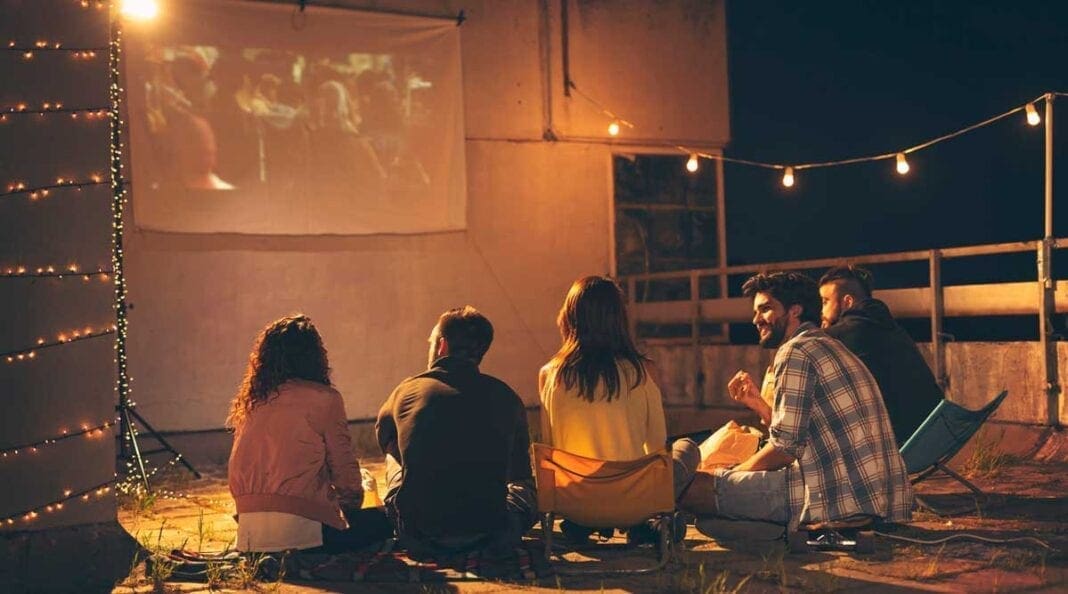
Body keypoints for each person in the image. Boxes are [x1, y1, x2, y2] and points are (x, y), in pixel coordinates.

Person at [679, 272, 912, 530]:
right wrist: (758, 404)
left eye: (765, 309)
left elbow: (784, 449)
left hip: (833, 498)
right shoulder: (828, 345)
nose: (756, 319)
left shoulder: (795, 352)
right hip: (875, 497)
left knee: (692, 488)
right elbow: (805, 433)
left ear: (794, 310)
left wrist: (732, 475)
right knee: (722, 480)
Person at [539, 276, 700, 542]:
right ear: (619, 319)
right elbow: (657, 448)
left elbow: (550, 447)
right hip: (633, 504)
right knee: (687, 448)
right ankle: (646, 525)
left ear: (569, 316)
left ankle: (587, 525)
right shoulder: (643, 370)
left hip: (573, 505)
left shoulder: (549, 375)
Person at [375, 306, 536, 554]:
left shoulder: (407, 390)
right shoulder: (506, 396)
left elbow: (382, 436)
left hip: (417, 533)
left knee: (393, 444)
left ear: (441, 346)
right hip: (493, 531)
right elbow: (519, 471)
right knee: (525, 486)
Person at [227, 315, 391, 553]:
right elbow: (346, 476)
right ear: (315, 356)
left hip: (249, 536)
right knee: (385, 521)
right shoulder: (325, 399)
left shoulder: (252, 402)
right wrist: (352, 504)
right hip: (305, 534)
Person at [819, 265, 943, 443]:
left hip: (899, 440)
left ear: (847, 302)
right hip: (934, 431)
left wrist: (826, 333)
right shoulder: (889, 327)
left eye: (825, 302)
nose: (821, 311)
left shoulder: (845, 333)